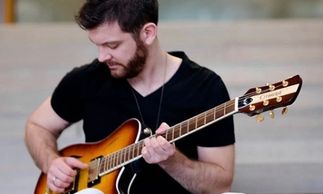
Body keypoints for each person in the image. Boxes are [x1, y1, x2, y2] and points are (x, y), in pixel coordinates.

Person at [25, 0, 235, 193]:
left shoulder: (204, 87)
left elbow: (220, 185)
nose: (102, 57)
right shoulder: (87, 80)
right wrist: (50, 162)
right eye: (97, 45)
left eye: (112, 45)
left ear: (148, 33)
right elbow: (37, 126)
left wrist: (173, 162)